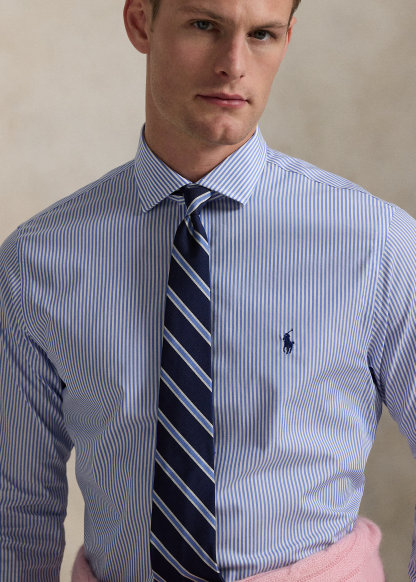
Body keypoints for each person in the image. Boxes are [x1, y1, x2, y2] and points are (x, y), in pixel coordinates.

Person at [0, 0, 415, 580]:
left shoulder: (377, 243)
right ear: (141, 22)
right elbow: (15, 515)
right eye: (204, 25)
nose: (234, 64)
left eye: (262, 34)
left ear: (288, 39)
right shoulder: (37, 261)